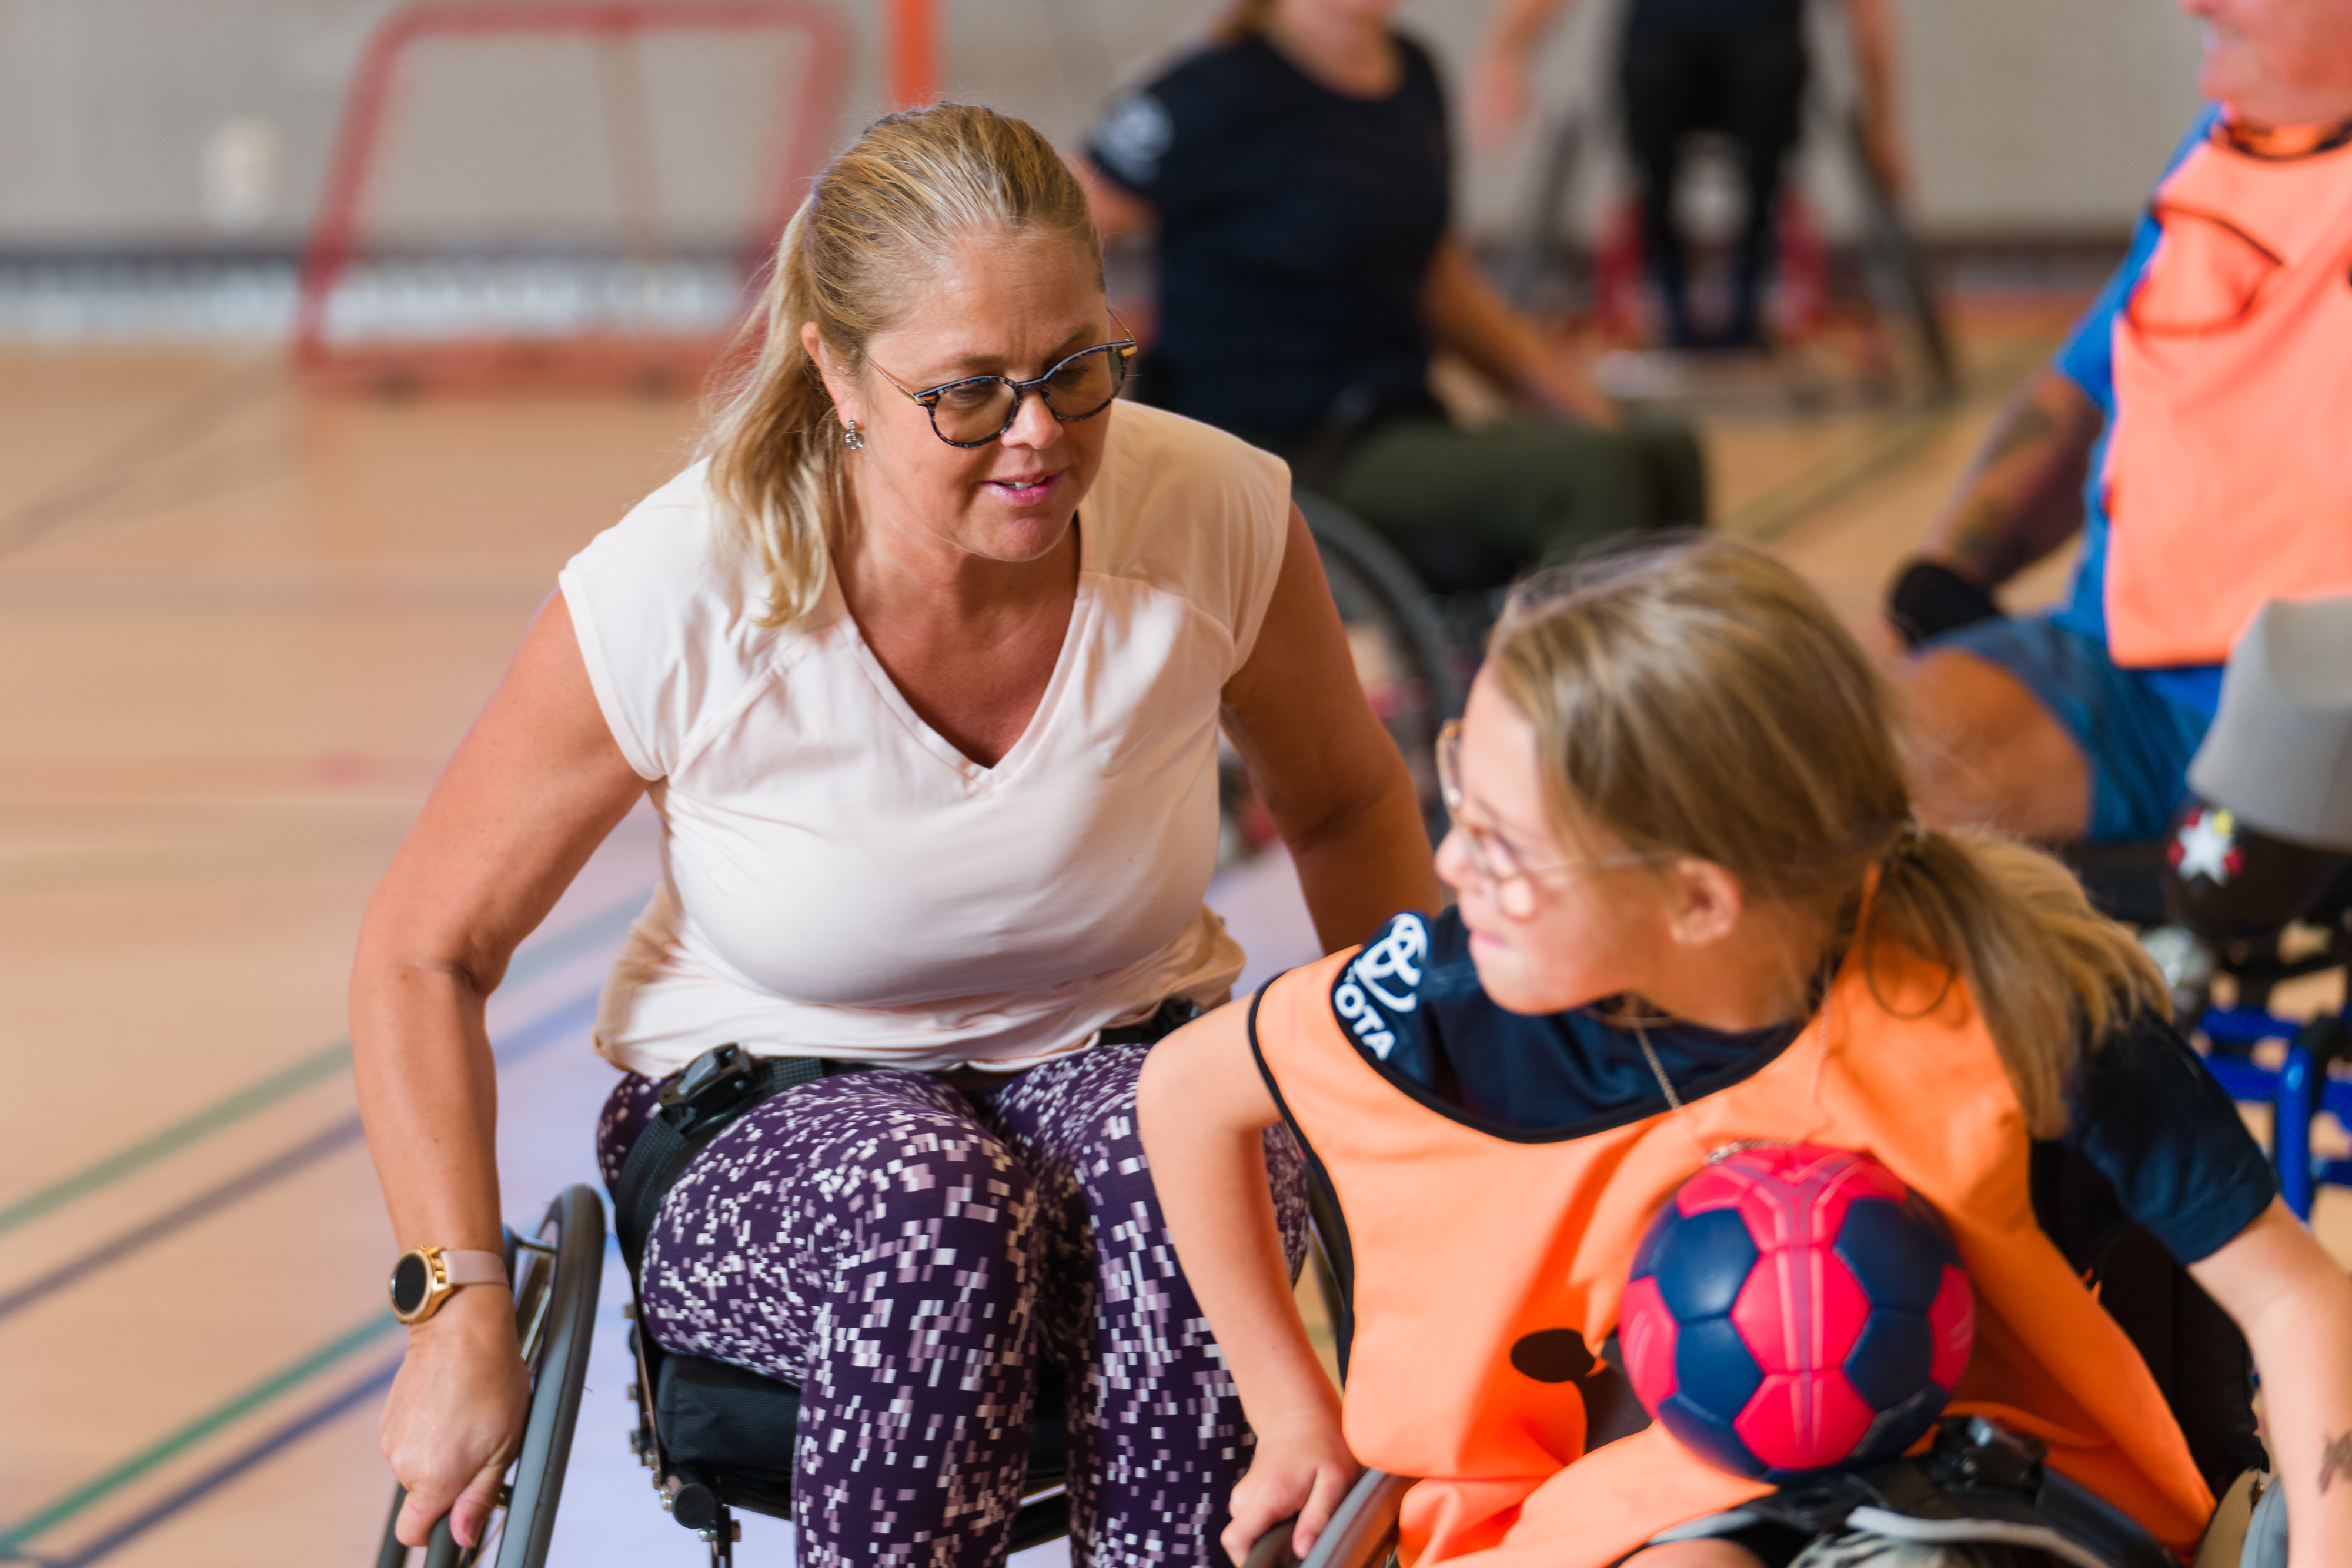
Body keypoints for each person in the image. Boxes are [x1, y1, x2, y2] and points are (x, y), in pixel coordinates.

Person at [353, 103, 1441, 1568]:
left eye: (1074, 370)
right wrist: (459, 1303)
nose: (1041, 438)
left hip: (1119, 1063)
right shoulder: (681, 587)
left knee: (1201, 1164)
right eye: (969, 394)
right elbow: (425, 949)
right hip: (769, 1119)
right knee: (935, 1211)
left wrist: (1435, 1146)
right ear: (835, 373)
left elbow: (1349, 802)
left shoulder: (1213, 511)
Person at [1138, 537, 2352, 1567]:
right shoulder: (1448, 995)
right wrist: (1287, 1402)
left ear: (1699, 901)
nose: (1452, 865)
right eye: (1460, 790)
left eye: (1506, 845)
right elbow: (1186, 1093)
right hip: (1585, 1506)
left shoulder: (2009, 989)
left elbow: (2294, 1300)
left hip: (1972, 1481)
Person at [1886, 0, 2352, 844]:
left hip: (2326, 711)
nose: (2198, 5)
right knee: (1807, 780)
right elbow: (2081, 394)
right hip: (2126, 684)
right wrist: (1927, 601)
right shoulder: (2224, 154)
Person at [1077, 0, 1706, 597]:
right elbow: (1056, 226)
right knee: (1591, 476)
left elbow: (1445, 289)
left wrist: (1578, 403)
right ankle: (1567, 705)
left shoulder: (1413, 75)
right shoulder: (1207, 91)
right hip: (1287, 444)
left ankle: (1685, 699)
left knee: (1663, 450)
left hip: (1392, 421)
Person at [1468, 0, 1908, 350]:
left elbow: (1866, 9)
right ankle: (1667, 275)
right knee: (1653, 74)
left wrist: (1882, 119)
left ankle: (1751, 274)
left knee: (1770, 73)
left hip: (1764, 47)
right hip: (1662, 48)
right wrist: (1506, 52)